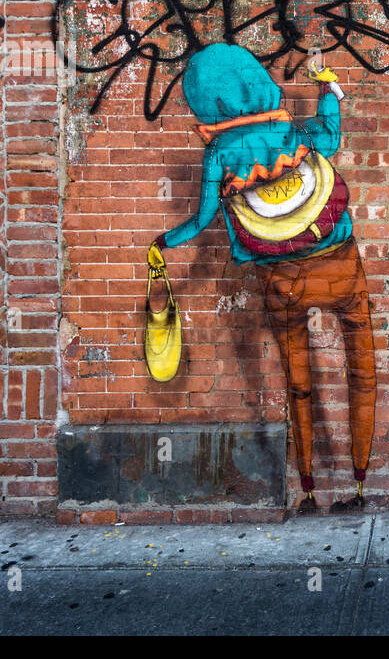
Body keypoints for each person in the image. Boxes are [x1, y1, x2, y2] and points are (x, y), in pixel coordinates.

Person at [152, 43, 376, 515]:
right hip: (340, 261)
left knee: (298, 379)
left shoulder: (217, 154)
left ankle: (310, 490)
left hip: (281, 277)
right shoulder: (294, 131)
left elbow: (201, 221)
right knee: (362, 368)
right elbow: (332, 137)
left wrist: (162, 244)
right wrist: (326, 87)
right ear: (256, 81)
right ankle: (358, 484)